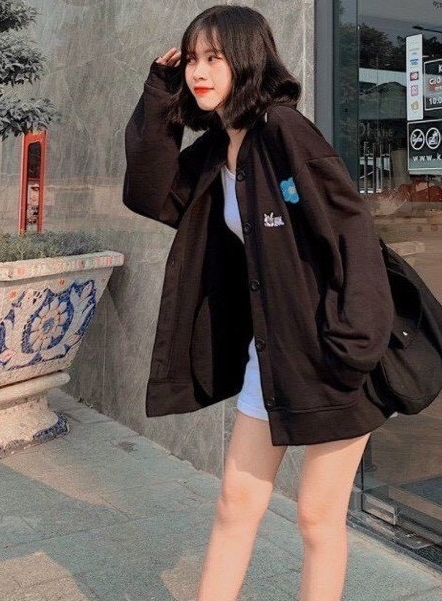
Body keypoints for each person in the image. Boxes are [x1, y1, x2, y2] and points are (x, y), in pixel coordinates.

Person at [122, 5, 394, 601]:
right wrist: (158, 95)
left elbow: (352, 230)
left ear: (246, 60)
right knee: (235, 503)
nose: (198, 71)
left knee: (317, 519)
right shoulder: (219, 148)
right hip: (270, 354)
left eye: (214, 58)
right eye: (193, 59)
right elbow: (149, 192)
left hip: (334, 354)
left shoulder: (282, 131)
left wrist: (353, 344)